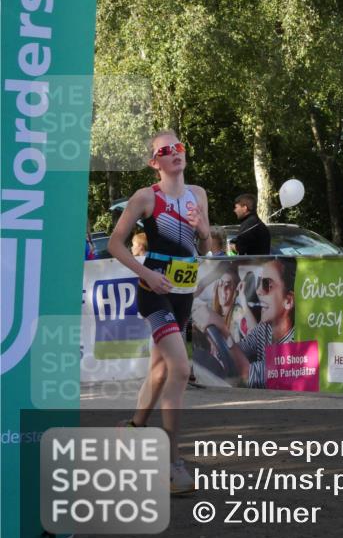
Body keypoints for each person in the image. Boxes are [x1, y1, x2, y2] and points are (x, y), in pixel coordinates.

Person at [107, 129, 210, 494]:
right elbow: (114, 244)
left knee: (159, 368)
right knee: (180, 369)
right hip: (154, 292)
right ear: (155, 163)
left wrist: (203, 230)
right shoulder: (145, 198)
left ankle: (132, 429)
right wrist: (146, 272)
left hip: (182, 292)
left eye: (179, 147)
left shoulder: (198, 194)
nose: (175, 153)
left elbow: (207, 244)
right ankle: (171, 465)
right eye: (166, 151)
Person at [223, 258, 295, 388]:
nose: (258, 291)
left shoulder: (296, 341)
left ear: (288, 301)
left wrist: (220, 330)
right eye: (259, 283)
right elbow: (243, 348)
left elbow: (248, 374)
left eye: (267, 284)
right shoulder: (265, 327)